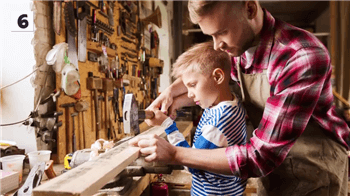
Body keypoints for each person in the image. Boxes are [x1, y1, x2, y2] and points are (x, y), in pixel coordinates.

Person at [130, 1, 350, 195]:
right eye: (211, 36)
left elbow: (261, 157)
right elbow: (210, 73)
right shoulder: (240, 47)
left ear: (250, 8)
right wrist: (171, 93)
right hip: (274, 174)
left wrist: (175, 154)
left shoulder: (299, 56)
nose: (217, 45)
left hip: (313, 173)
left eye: (221, 32)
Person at [147, 41, 248, 195]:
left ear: (218, 77)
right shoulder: (229, 103)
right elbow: (208, 92)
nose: (189, 94)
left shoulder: (218, 123)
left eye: (193, 85)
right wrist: (175, 100)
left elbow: (191, 164)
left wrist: (167, 125)